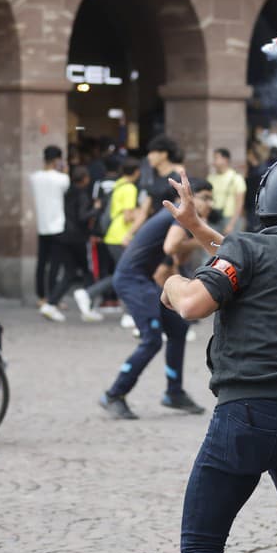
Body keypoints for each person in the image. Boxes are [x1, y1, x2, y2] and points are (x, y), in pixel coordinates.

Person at [159, 156, 277, 553]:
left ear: (267, 199)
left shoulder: (250, 249)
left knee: (202, 545)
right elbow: (252, 256)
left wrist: (171, 282)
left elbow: (191, 304)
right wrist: (196, 226)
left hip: (249, 415)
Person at [98, 177, 214, 420]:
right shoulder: (178, 216)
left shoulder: (177, 217)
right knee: (151, 340)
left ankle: (174, 393)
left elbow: (170, 257)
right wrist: (201, 241)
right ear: (188, 197)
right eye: (204, 198)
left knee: (178, 328)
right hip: (132, 280)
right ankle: (114, 394)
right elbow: (171, 247)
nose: (209, 204)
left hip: (142, 280)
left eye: (211, 199)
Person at [74, 157, 142, 321]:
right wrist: (140, 214)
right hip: (122, 235)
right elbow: (127, 216)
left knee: (123, 272)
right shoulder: (130, 188)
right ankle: (127, 313)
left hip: (112, 234)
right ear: (137, 172)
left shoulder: (118, 185)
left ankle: (89, 294)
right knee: (127, 273)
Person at [40, 166, 97, 322]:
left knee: (69, 272)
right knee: (87, 273)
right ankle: (88, 307)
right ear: (85, 178)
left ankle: (51, 304)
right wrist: (97, 209)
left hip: (63, 236)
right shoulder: (82, 195)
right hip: (77, 238)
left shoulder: (65, 193)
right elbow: (83, 216)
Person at [30, 145, 70, 307]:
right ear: (57, 160)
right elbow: (66, 188)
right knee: (55, 264)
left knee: (41, 263)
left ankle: (41, 296)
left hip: (42, 225)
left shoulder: (34, 177)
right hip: (58, 225)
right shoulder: (62, 179)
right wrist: (65, 171)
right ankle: (54, 297)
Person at [207, 148, 247, 235]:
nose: (214, 161)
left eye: (216, 158)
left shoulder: (236, 178)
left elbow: (240, 203)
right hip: (214, 217)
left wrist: (232, 224)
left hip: (230, 218)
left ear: (225, 159)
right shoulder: (211, 178)